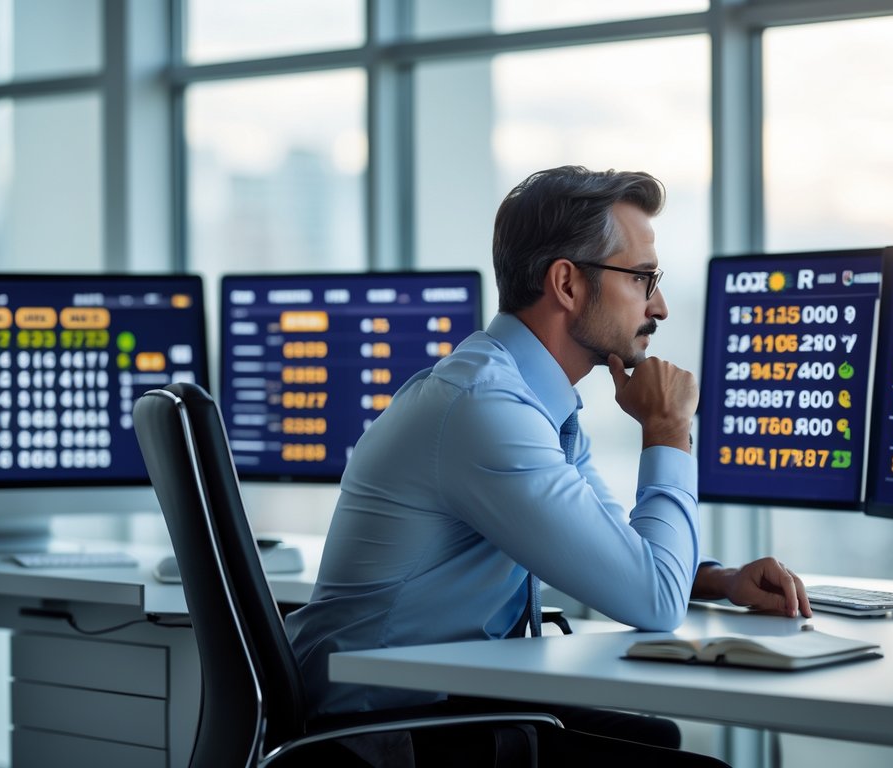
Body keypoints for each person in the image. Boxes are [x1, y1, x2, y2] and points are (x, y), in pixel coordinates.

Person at [285, 165, 811, 766]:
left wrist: (719, 580)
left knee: (655, 737)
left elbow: (614, 554)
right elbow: (654, 601)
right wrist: (667, 429)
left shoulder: (534, 403)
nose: (659, 306)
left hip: (435, 707)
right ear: (566, 283)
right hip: (374, 736)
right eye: (643, 279)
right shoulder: (487, 410)